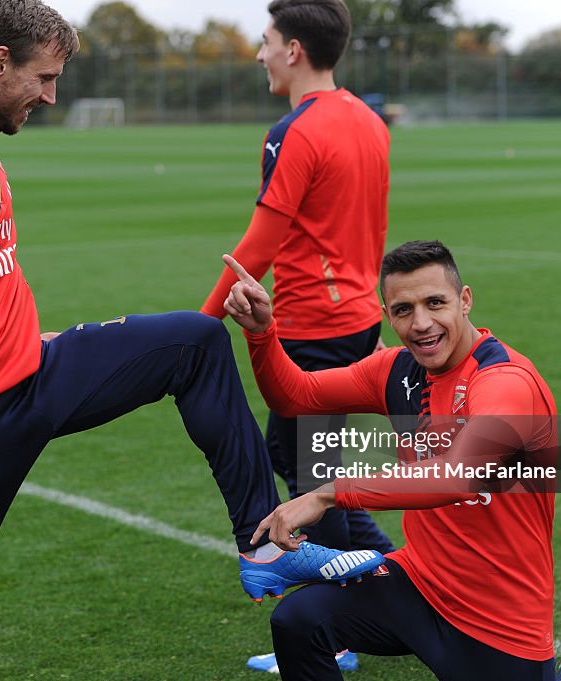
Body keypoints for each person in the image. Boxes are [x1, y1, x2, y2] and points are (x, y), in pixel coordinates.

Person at [0, 1, 384, 679]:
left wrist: (18, 337)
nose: (51, 94)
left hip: (34, 372)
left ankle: (262, 547)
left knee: (196, 344)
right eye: (44, 78)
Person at [223, 241, 561, 680]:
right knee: (299, 621)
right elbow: (295, 396)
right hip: (422, 581)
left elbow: (459, 475)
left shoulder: (506, 382)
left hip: (500, 618)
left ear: (465, 300)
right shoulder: (395, 371)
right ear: (386, 314)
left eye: (435, 303)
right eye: (402, 309)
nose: (421, 323)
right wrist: (261, 332)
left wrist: (329, 495)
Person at [201, 0, 393, 559]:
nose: (260, 55)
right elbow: (371, 228)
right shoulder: (369, 120)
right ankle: (383, 569)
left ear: (293, 50)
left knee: (310, 481)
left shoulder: (295, 130)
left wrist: (200, 326)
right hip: (355, 320)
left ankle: (335, 637)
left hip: (315, 330)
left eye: (266, 42)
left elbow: (258, 246)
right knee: (294, 459)